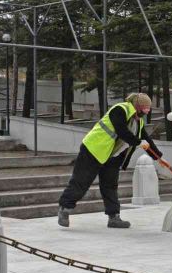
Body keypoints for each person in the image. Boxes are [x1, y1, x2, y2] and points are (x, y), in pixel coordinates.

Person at [58, 92, 163, 228]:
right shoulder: (120, 109)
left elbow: (146, 140)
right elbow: (121, 130)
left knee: (110, 185)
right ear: (137, 106)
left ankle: (114, 217)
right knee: (81, 181)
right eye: (144, 108)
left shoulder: (138, 122)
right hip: (93, 149)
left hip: (112, 156)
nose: (146, 111)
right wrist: (137, 142)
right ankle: (64, 209)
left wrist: (158, 157)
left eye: (148, 109)